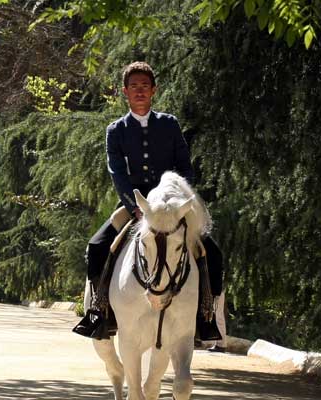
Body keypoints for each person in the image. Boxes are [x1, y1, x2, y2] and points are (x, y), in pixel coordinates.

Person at [75, 61, 223, 340]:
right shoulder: (115, 130)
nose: (139, 91)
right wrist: (135, 208)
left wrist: (176, 200)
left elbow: (185, 167)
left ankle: (206, 315)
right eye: (134, 87)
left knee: (212, 252)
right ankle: (99, 312)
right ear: (125, 92)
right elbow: (117, 172)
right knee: (96, 246)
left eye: (145, 86)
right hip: (137, 205)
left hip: (170, 203)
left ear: (153, 90)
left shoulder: (169, 124)